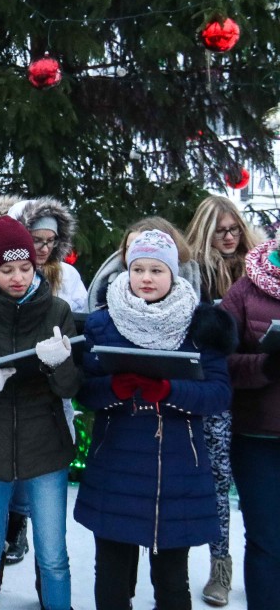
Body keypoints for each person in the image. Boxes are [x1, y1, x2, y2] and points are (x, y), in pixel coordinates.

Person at [75, 230, 234, 610]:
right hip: (117, 464)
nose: (146, 278)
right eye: (139, 268)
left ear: (173, 274)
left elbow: (218, 394)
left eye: (157, 270)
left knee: (172, 581)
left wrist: (171, 391)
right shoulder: (103, 324)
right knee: (111, 578)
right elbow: (83, 391)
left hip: (176, 467)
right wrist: (115, 386)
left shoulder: (199, 326)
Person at [0, 216, 79, 610]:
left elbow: (72, 388)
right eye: (7, 269)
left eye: (25, 268)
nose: (18, 277)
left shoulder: (57, 310)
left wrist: (60, 363)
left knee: (53, 554)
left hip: (45, 445)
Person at [186, 195, 260, 606]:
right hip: (214, 387)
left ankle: (263, 564)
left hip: (256, 387)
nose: (229, 237)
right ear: (205, 232)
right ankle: (220, 565)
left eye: (234, 229)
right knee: (217, 482)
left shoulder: (261, 269)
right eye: (220, 231)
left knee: (257, 487)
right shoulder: (193, 273)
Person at [217, 235, 280, 610]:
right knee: (267, 540)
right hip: (257, 437)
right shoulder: (245, 290)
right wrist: (265, 366)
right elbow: (217, 361)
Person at [0, 197, 87, 313]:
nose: (45, 249)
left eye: (51, 240)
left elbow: (80, 316)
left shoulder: (67, 274)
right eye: (36, 240)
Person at [86, 216, 202, 311]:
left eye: (156, 271)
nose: (132, 253)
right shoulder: (109, 283)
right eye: (128, 248)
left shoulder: (189, 292)